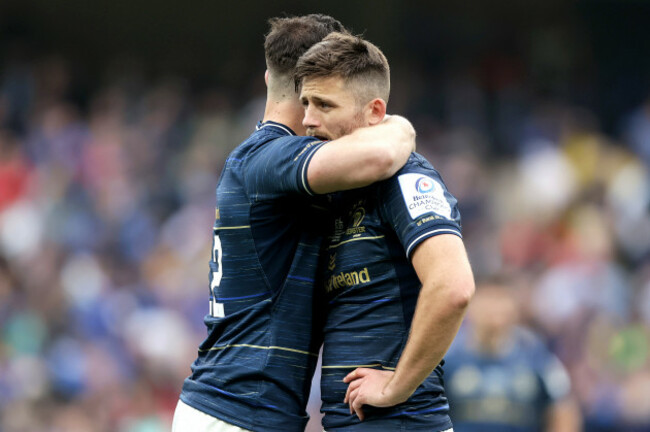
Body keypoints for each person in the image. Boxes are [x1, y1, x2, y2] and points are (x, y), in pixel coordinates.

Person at [172, 15, 418, 432]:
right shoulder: (272, 158)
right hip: (236, 411)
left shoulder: (260, 161)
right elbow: (378, 157)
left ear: (268, 76)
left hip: (238, 409)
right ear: (315, 80)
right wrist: (398, 123)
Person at [294, 33, 475, 431]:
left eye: (324, 104)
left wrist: (396, 386)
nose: (308, 118)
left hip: (401, 420)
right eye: (306, 103)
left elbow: (453, 287)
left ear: (375, 111)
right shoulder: (338, 190)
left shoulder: (406, 178)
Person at [443, 280, 583, 432]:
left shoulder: (537, 356)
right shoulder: (447, 357)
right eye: (488, 299)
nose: (494, 309)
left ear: (515, 308)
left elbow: (563, 409)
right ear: (470, 306)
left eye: (501, 300)